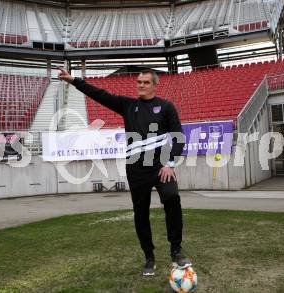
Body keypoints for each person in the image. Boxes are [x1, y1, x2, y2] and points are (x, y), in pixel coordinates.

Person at [57, 67, 191, 276]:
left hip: (161, 167)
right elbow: (99, 95)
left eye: (146, 82)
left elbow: (179, 137)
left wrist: (170, 163)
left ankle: (176, 250)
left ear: (155, 85)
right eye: (139, 82)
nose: (141, 85)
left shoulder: (166, 107)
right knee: (141, 213)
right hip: (136, 169)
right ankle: (149, 257)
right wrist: (74, 80)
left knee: (172, 198)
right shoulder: (128, 106)